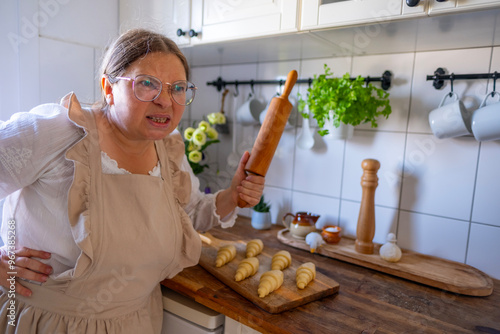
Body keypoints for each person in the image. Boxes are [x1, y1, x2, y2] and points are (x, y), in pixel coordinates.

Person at [0, 29, 265, 333]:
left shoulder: (169, 149)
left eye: (177, 88)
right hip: (49, 322)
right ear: (108, 88)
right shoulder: (61, 134)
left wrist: (233, 194)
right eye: (146, 84)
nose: (165, 101)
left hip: (138, 321)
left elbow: (187, 214)